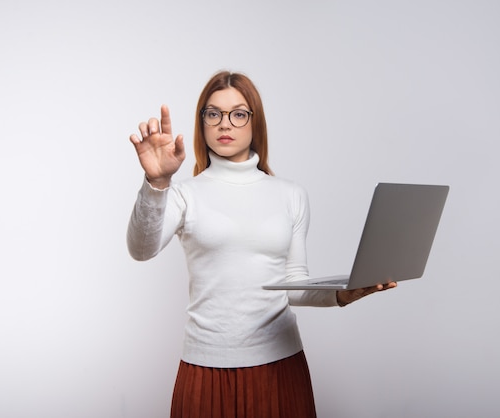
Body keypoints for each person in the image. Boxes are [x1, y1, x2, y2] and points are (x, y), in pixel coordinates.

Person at [127, 70, 396, 418]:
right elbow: (141, 249)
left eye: (238, 113)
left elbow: (294, 287)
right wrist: (157, 181)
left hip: (280, 368)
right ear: (202, 122)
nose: (225, 124)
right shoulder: (183, 194)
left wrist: (343, 293)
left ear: (256, 122)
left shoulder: (290, 195)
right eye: (214, 114)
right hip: (205, 369)